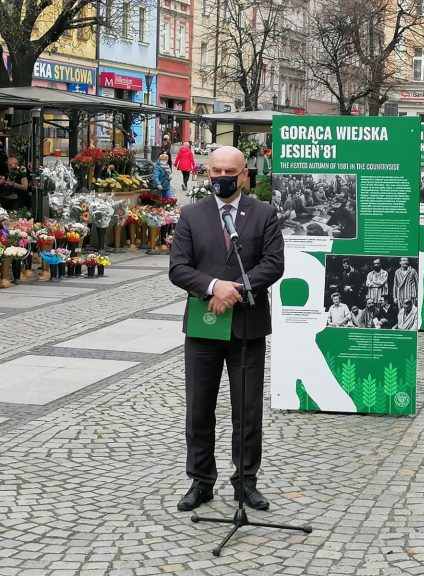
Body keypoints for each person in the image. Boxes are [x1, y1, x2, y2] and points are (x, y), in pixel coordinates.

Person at [168, 145, 284, 512]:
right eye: (215, 171)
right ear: (207, 173)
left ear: (244, 175)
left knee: (246, 411)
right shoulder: (191, 215)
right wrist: (212, 286)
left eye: (229, 171)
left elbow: (273, 263)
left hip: (247, 329)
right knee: (198, 409)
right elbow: (179, 268)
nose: (221, 177)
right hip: (204, 327)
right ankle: (200, 481)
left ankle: (245, 482)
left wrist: (231, 290)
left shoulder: (264, 214)